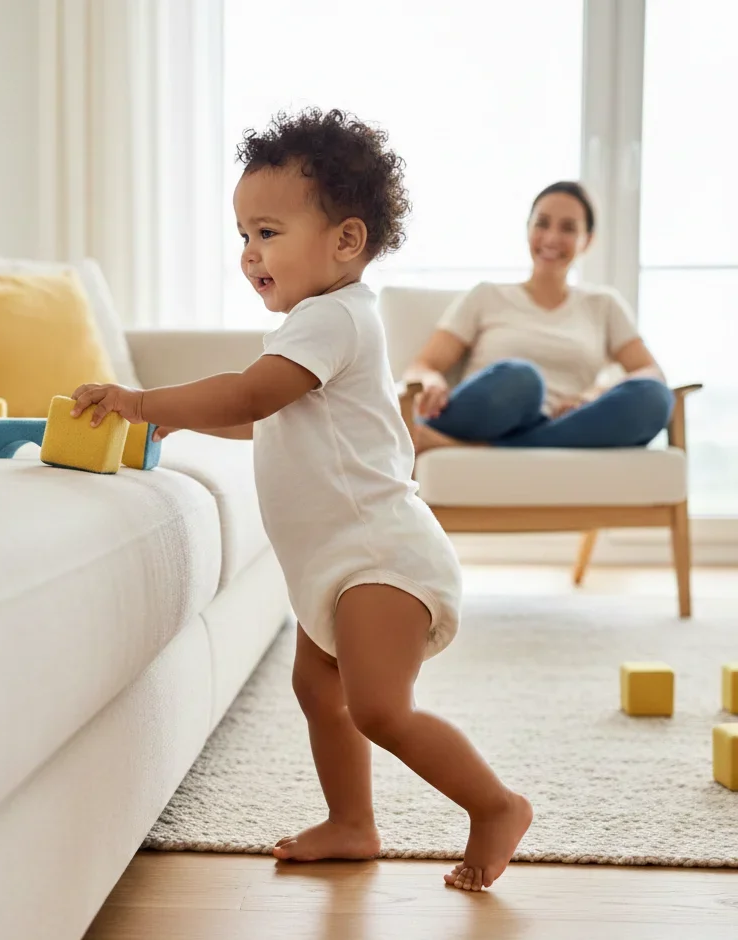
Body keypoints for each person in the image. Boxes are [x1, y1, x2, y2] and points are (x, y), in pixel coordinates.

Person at [70, 108, 532, 892]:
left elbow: (250, 397)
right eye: (243, 235)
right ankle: (353, 822)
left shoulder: (332, 317)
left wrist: (139, 403)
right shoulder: (319, 327)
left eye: (268, 233)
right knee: (318, 689)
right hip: (338, 562)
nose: (249, 254)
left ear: (345, 241)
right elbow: (276, 427)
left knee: (379, 708)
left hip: (382, 557)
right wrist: (178, 439)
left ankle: (495, 805)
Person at [407, 181, 673, 453]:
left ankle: (485, 450)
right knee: (522, 379)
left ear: (588, 240)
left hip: (567, 425)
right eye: (542, 224)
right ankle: (493, 442)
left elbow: (651, 373)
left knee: (655, 397)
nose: (551, 238)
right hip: (488, 415)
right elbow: (423, 365)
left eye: (568, 228)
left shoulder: (604, 305)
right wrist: (431, 381)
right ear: (528, 229)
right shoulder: (485, 296)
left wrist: (593, 395)